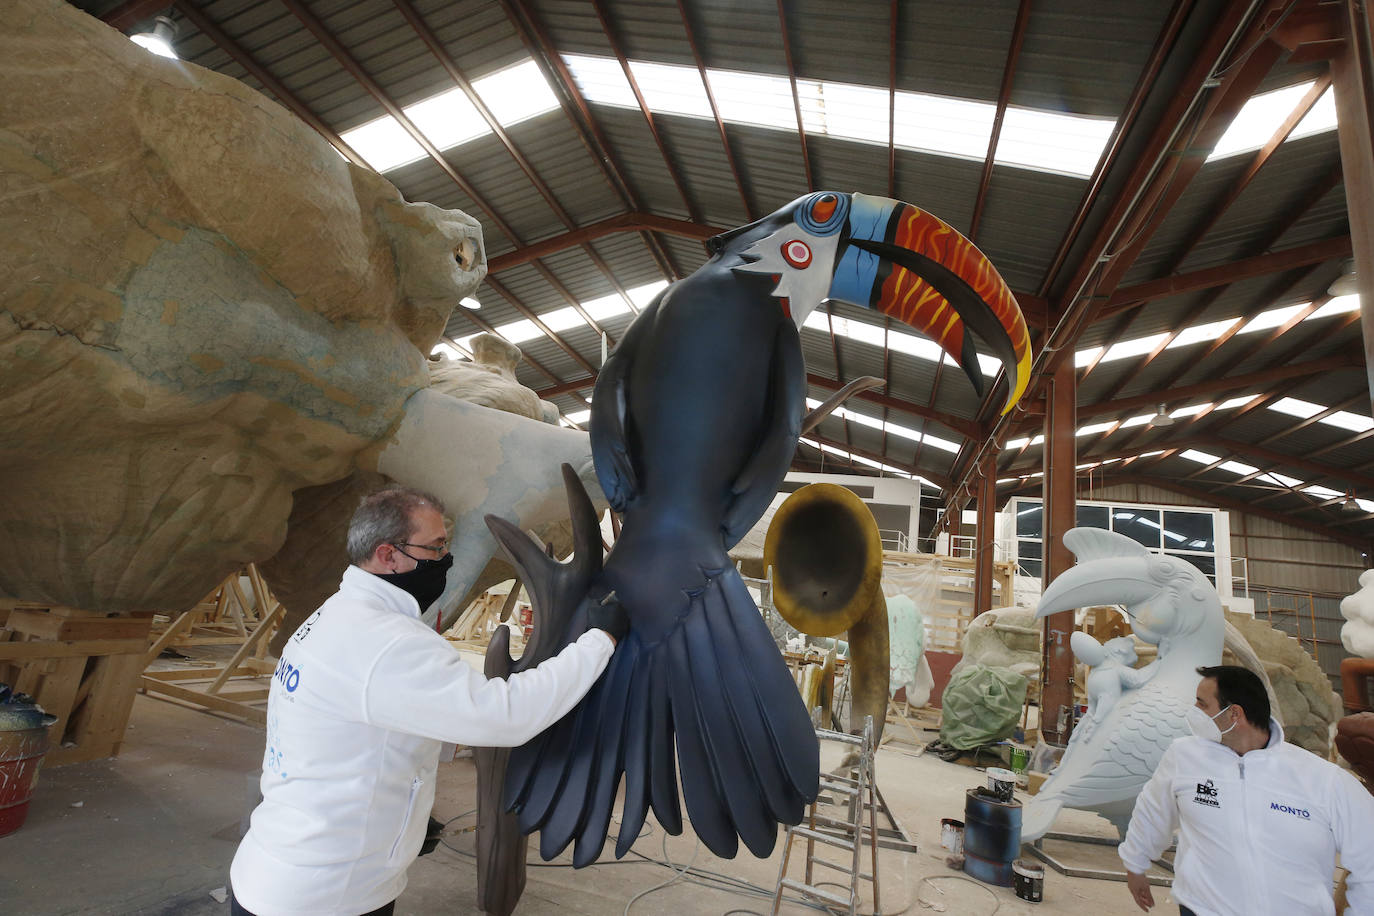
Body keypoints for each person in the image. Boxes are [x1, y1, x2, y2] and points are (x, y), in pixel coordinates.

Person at [229, 486, 627, 916]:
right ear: (388, 555)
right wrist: (598, 642)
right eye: (435, 548)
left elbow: (371, 721)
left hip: (281, 869)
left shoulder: (332, 616)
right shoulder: (388, 643)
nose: (445, 559)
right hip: (324, 895)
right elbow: (505, 715)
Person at [1119, 664, 1374, 915]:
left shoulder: (1324, 780)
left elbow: (1369, 856)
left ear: (1234, 714)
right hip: (1201, 908)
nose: (1194, 711)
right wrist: (1135, 864)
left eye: (1202, 703)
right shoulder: (1184, 756)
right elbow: (1152, 812)